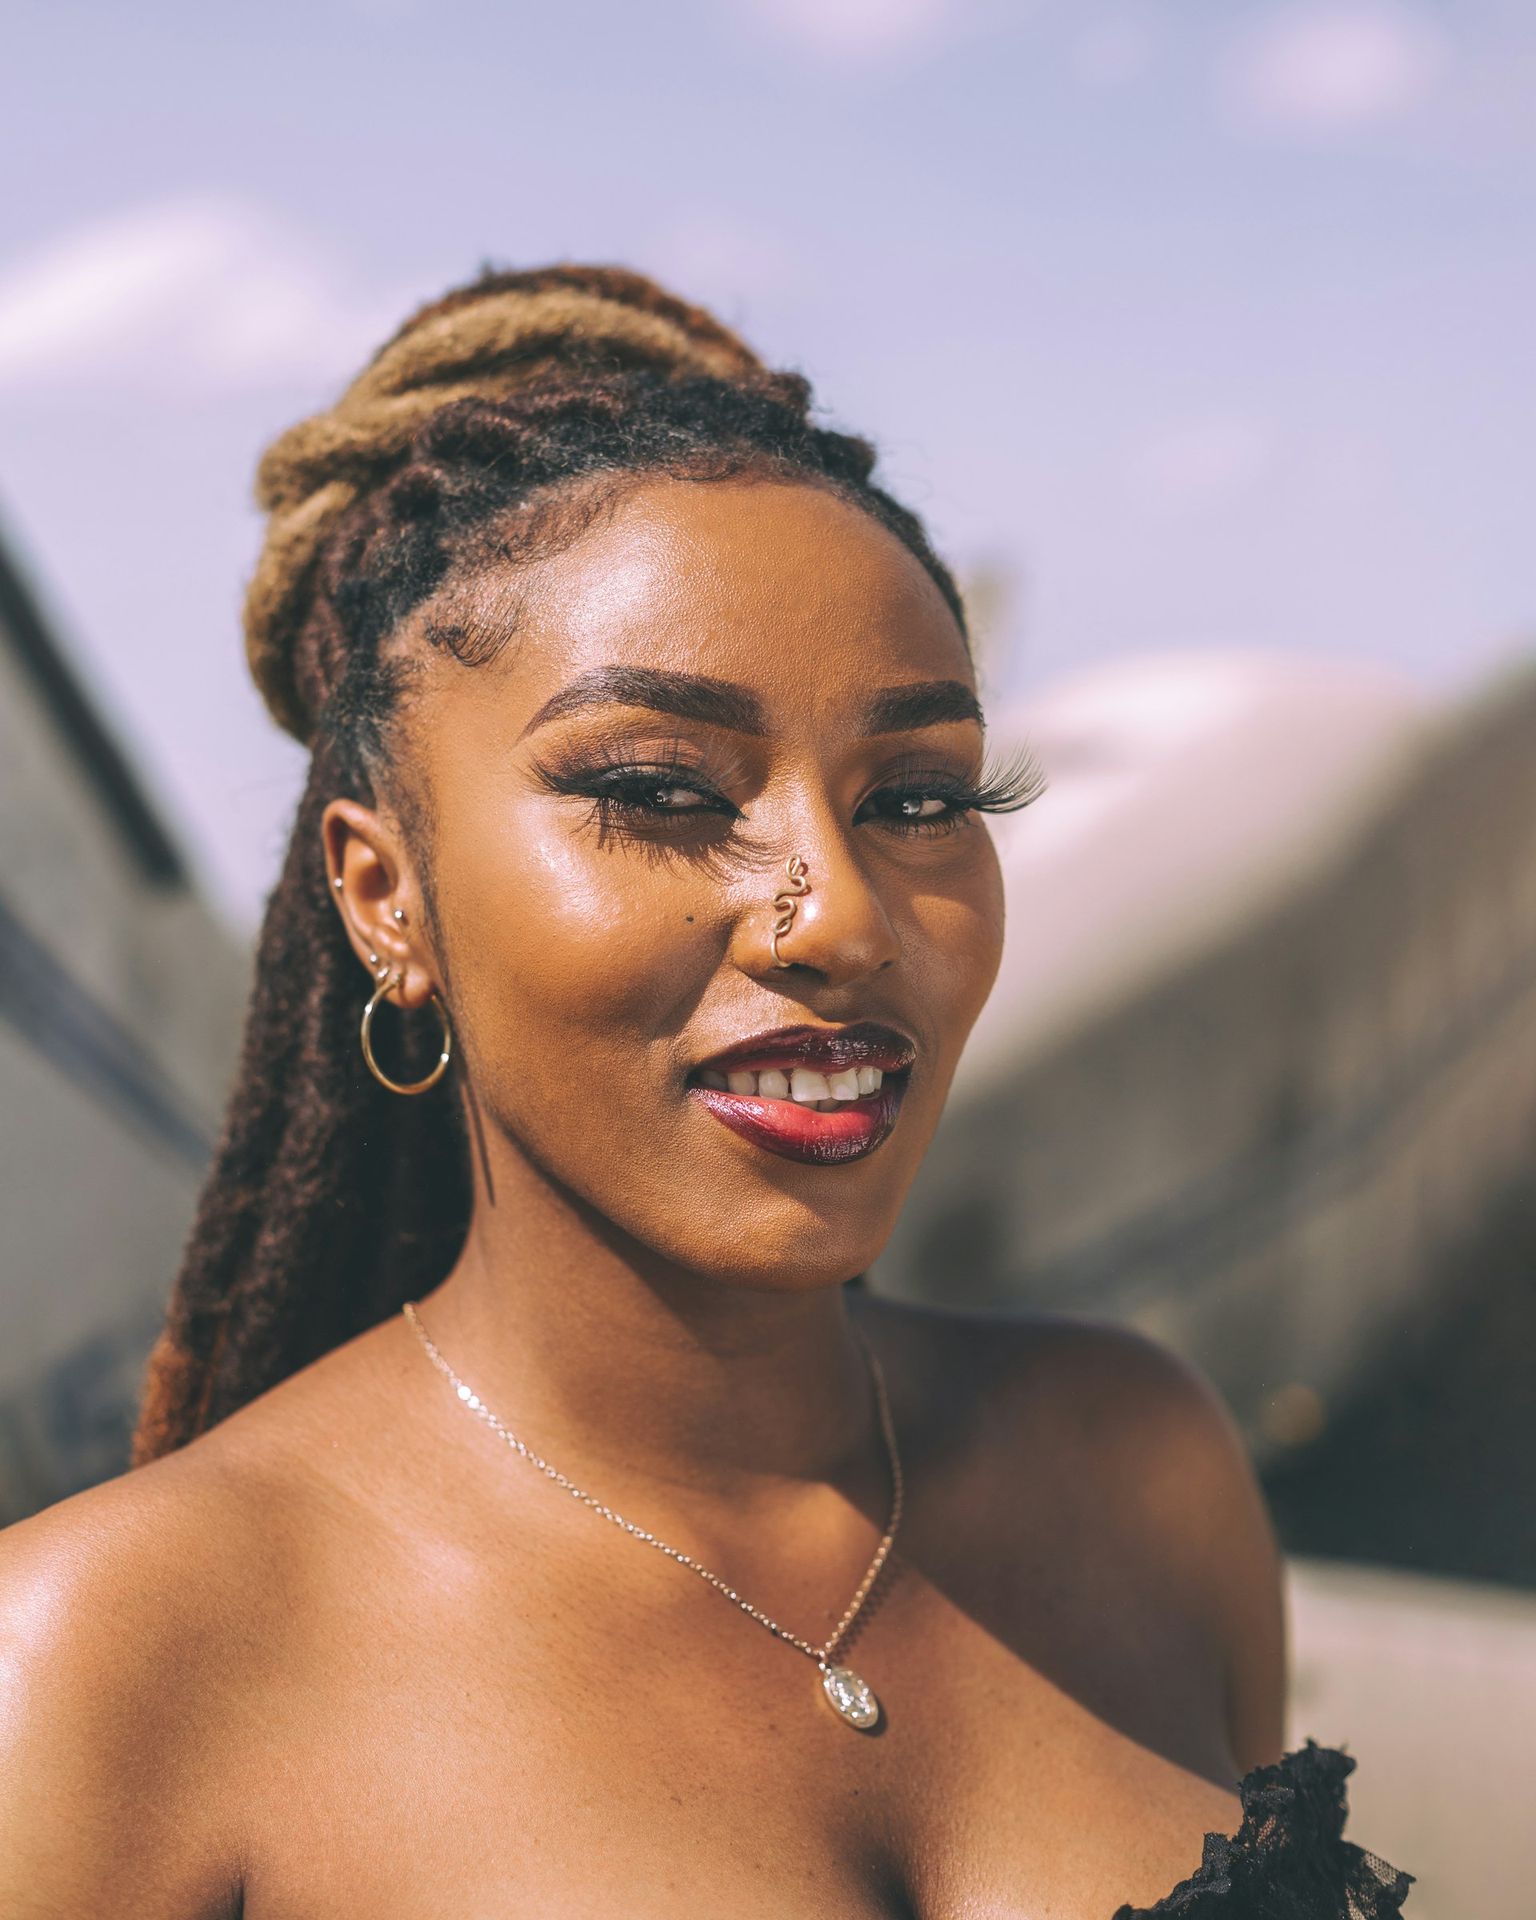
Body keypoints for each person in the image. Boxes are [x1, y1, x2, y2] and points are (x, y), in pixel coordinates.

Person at [0, 265, 1411, 1917]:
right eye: (663, 790)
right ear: (387, 899)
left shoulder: (1136, 1466)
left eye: (922, 796)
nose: (846, 915)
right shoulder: (102, 1664)